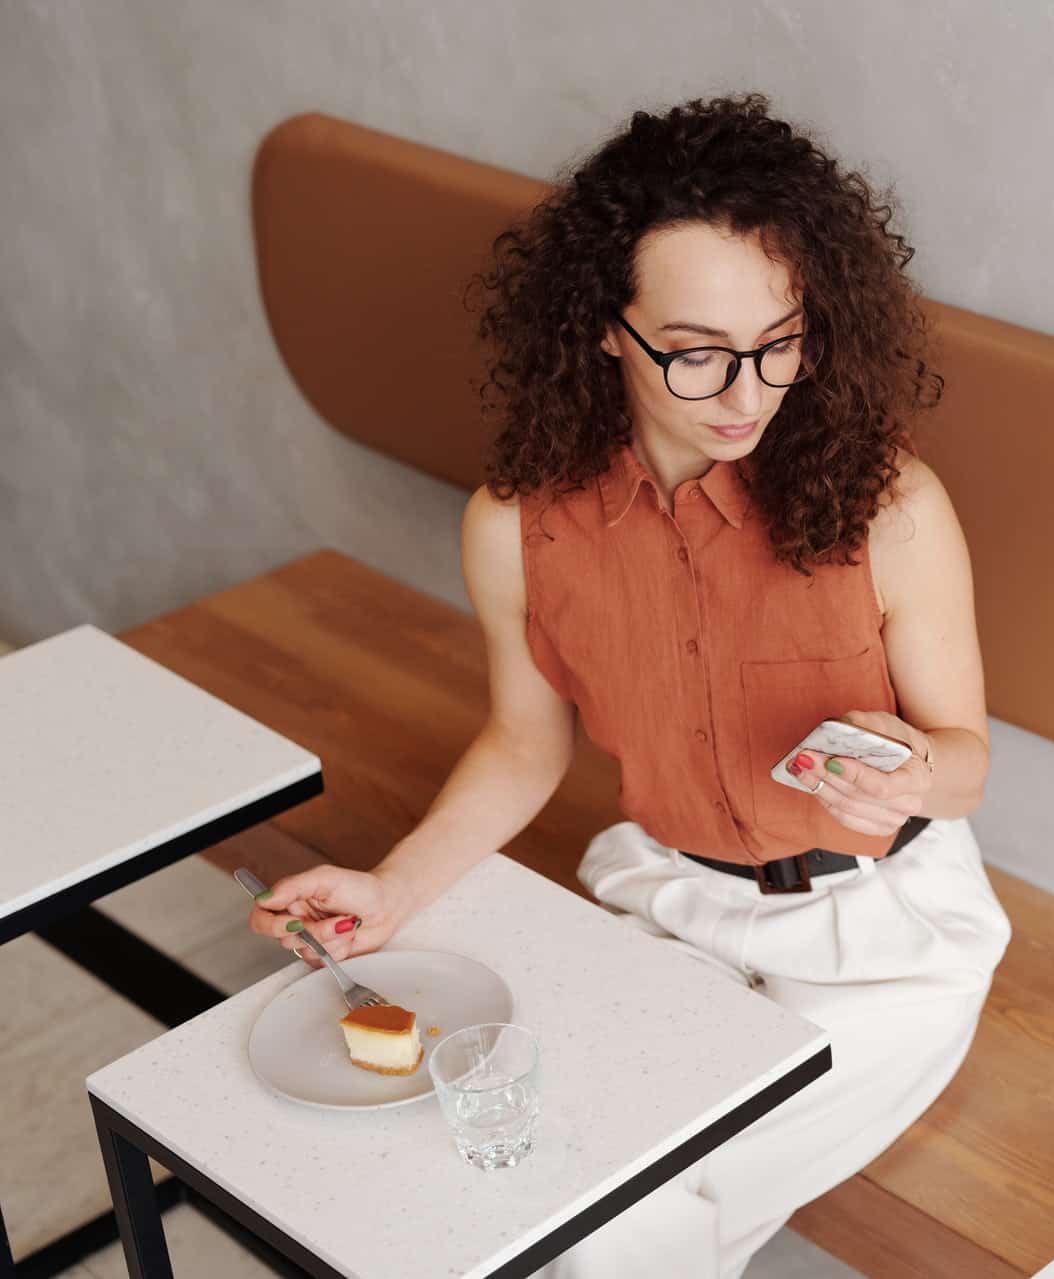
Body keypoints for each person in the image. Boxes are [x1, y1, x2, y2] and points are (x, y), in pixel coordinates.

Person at [247, 92, 1012, 1278]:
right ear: (607, 328)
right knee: (542, 1170)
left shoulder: (892, 507)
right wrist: (390, 892)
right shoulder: (516, 526)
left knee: (625, 1214)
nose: (747, 392)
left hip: (886, 946)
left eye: (781, 342)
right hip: (669, 910)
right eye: (697, 352)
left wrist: (919, 773)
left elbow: (965, 758)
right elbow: (522, 743)